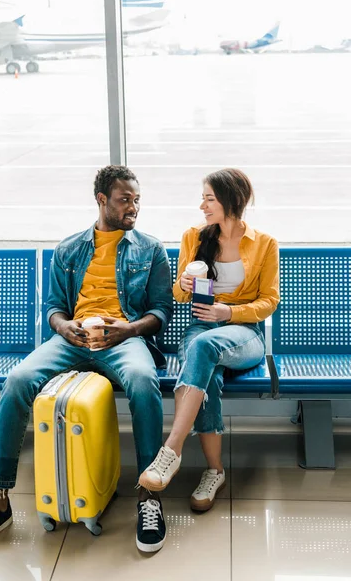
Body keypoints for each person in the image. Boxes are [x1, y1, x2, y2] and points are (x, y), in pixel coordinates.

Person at [0, 165, 173, 557]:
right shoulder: (69, 248)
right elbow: (54, 308)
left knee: (143, 380)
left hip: (122, 339)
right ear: (102, 200)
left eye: (138, 200)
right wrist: (64, 327)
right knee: (19, 378)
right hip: (73, 339)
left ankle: (148, 495)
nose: (134, 208)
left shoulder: (150, 249)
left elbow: (161, 311)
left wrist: (126, 330)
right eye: (126, 199)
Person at [139, 168, 279, 511]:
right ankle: (215, 471)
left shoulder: (263, 244)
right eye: (203, 197)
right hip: (201, 328)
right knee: (209, 375)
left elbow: (269, 301)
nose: (202, 205)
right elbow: (179, 295)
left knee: (203, 348)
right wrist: (183, 286)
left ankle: (171, 449)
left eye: (209, 198)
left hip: (245, 334)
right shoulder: (194, 237)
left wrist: (228, 313)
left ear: (232, 201)